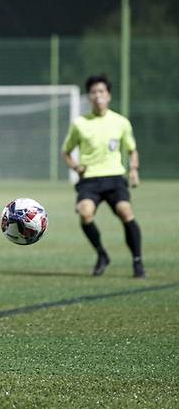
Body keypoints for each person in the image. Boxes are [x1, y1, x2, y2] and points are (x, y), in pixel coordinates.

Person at [61, 73, 145, 278]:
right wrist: (75, 167)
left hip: (115, 178)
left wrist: (133, 170)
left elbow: (132, 150)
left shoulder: (120, 122)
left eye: (101, 91)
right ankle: (102, 254)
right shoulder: (80, 123)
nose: (97, 95)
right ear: (88, 96)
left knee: (126, 212)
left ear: (108, 95)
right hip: (90, 179)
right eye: (93, 92)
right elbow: (66, 151)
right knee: (85, 212)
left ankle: (137, 262)